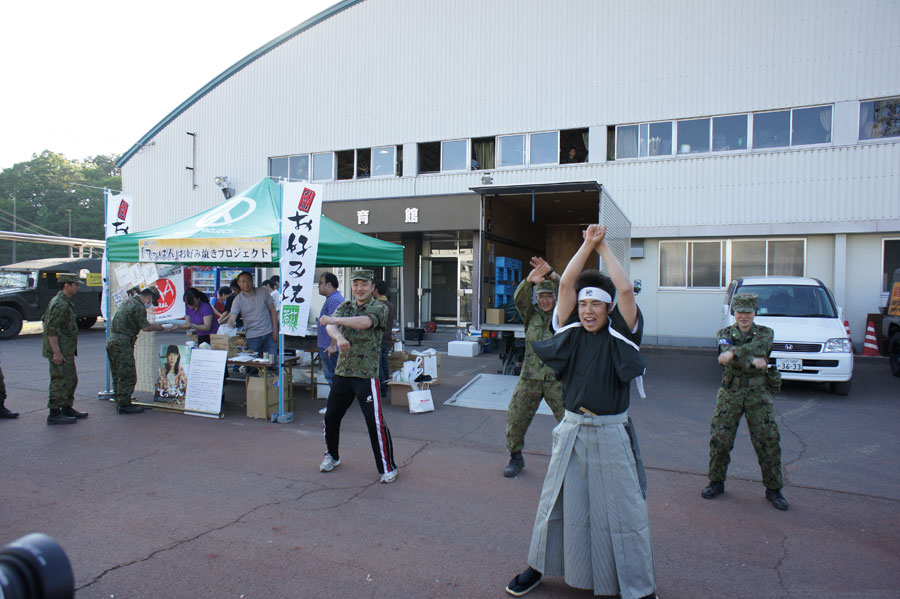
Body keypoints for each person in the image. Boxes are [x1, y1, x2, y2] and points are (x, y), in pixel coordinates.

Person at [506, 225, 656, 599]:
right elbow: (567, 285)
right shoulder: (569, 331)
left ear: (608, 309)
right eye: (584, 304)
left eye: (596, 305)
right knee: (553, 502)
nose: (588, 311)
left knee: (625, 511)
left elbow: (623, 288)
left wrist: (603, 248)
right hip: (572, 428)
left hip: (610, 432)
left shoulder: (623, 334)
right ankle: (537, 567)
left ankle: (639, 586)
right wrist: (585, 245)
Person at [701, 292, 788, 511]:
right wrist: (751, 360)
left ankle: (774, 489)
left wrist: (736, 355)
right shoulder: (724, 333)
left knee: (768, 441)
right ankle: (716, 482)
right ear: (734, 312)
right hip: (731, 392)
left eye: (748, 312)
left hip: (758, 393)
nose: (744, 316)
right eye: (740, 312)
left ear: (755, 313)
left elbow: (757, 349)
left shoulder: (766, 333)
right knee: (720, 439)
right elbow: (726, 353)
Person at [318, 269, 397, 484]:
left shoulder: (379, 307)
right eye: (356, 285)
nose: (359, 289)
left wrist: (334, 320)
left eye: (364, 284)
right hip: (343, 372)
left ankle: (388, 467)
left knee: (374, 422)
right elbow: (331, 327)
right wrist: (339, 336)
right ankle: (332, 455)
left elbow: (365, 322)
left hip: (366, 374)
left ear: (372, 287)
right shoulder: (345, 306)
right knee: (331, 417)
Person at [503, 257, 565, 477]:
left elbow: (569, 294)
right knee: (516, 416)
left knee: (569, 421)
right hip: (529, 377)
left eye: (550, 296)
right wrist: (528, 282)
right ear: (537, 299)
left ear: (555, 297)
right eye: (542, 296)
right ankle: (515, 457)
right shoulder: (531, 317)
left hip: (556, 380)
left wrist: (553, 275)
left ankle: (574, 462)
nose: (546, 300)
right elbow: (520, 299)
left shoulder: (563, 317)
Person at [107, 287, 188, 414]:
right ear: (149, 297)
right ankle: (124, 404)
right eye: (152, 301)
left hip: (113, 340)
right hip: (123, 343)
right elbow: (146, 327)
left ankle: (119, 399)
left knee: (117, 373)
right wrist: (162, 327)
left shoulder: (127, 302)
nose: (150, 305)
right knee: (127, 374)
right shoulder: (138, 307)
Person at [42, 273, 86, 425]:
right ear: (66, 285)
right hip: (60, 350)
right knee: (60, 380)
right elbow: (51, 329)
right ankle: (54, 413)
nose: (78, 287)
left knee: (70, 379)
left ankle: (66, 407)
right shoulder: (59, 303)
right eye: (75, 284)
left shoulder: (64, 302)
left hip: (66, 349)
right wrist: (56, 352)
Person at [224, 272, 278, 357]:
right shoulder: (237, 300)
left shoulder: (263, 292)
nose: (246, 284)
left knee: (272, 362)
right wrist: (226, 332)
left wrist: (275, 329)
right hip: (252, 336)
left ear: (252, 281)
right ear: (239, 283)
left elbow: (273, 310)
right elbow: (232, 318)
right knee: (254, 366)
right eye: (243, 281)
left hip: (269, 333)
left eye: (248, 281)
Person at [316, 272, 344, 414]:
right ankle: (336, 403)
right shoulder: (332, 299)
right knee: (333, 375)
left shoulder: (334, 300)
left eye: (320, 283)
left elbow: (337, 323)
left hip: (330, 345)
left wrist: (333, 344)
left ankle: (335, 405)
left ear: (328, 284)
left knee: (332, 375)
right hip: (328, 344)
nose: (319, 286)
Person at [373, 280, 396, 396]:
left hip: (378, 339)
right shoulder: (391, 306)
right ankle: (386, 386)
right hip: (388, 339)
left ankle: (382, 389)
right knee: (384, 364)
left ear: (375, 289)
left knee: (378, 365)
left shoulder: (377, 306)